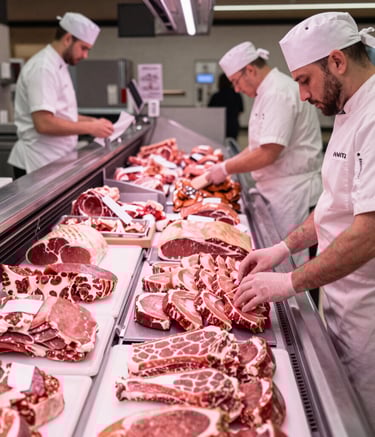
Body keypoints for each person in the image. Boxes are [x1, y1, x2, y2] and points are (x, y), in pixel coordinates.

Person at [234, 12, 375, 432]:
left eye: (304, 80)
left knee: (359, 420)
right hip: (343, 297)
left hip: (369, 309)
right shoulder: (351, 109)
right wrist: (283, 249)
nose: (301, 94)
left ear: (336, 61)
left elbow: (368, 235)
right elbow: (333, 205)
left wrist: (290, 283)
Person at [206, 42, 323, 266]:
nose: (237, 89)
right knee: (278, 260)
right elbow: (258, 146)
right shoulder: (267, 92)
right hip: (277, 190)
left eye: (236, 82)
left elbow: (268, 153)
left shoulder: (278, 92)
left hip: (291, 194)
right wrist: (227, 164)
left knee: (292, 264)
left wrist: (225, 168)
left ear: (250, 70)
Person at [8, 12, 114, 178]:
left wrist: (94, 121)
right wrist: (91, 128)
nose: (85, 55)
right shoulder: (43, 68)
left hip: (54, 160)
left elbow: (63, 114)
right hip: (37, 163)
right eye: (84, 48)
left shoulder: (59, 65)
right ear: (67, 39)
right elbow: (44, 123)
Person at [208, 73, 244, 140]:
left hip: (218, 126)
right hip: (233, 124)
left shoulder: (216, 96)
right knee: (232, 145)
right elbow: (240, 111)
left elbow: (210, 112)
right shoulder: (237, 96)